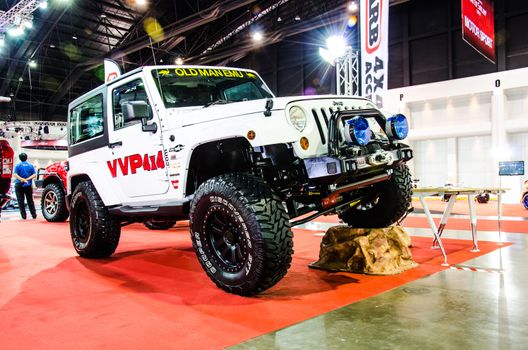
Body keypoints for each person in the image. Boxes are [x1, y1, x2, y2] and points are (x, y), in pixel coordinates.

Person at [13, 153, 37, 220]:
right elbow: (34, 175)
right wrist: (27, 179)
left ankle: (23, 216)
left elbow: (15, 174)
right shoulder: (31, 166)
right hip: (28, 185)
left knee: (20, 201)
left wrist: (22, 179)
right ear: (27, 158)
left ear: (20, 158)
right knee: (30, 200)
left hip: (19, 184)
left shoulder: (18, 165)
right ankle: (34, 215)